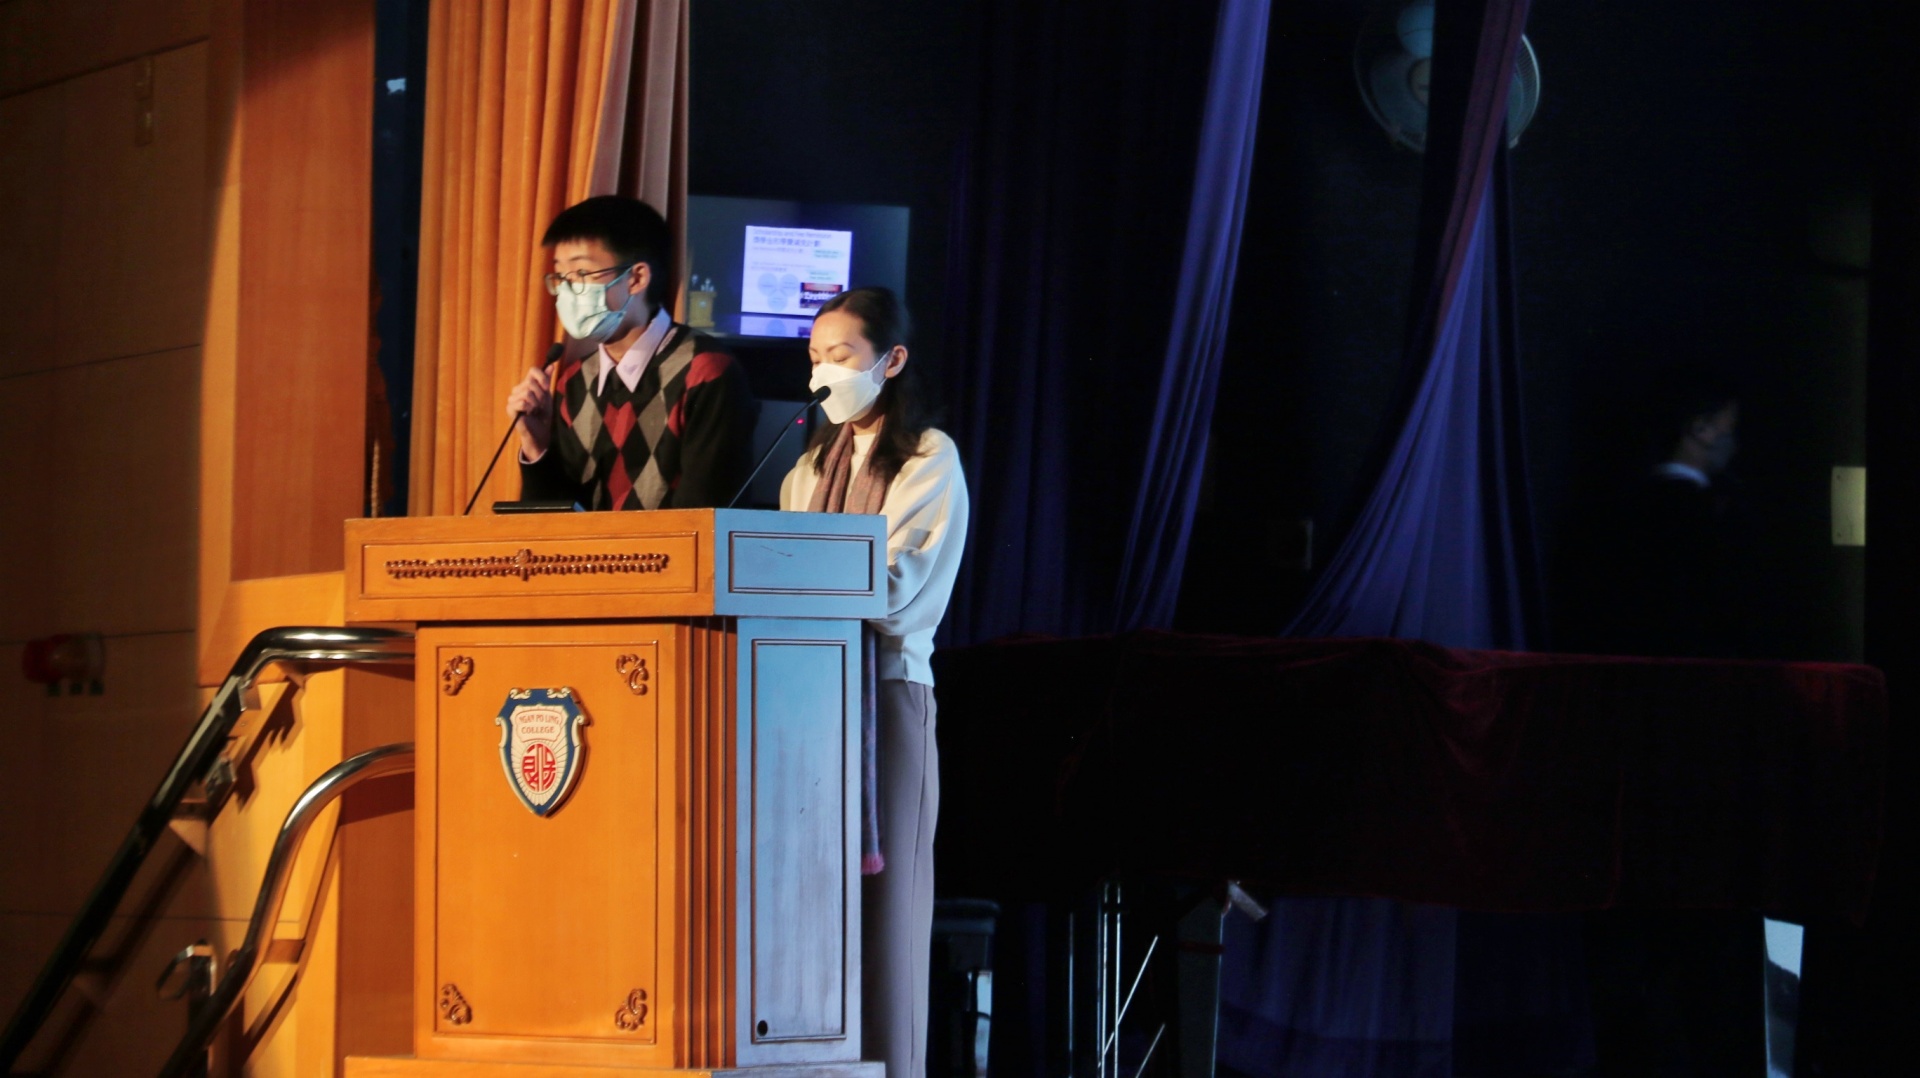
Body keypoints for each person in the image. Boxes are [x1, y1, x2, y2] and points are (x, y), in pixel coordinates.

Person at [779, 287, 968, 1078]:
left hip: (886, 696)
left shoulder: (928, 458)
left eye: (842, 356)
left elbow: (899, 593)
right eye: (815, 357)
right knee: (806, 910)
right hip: (806, 702)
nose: (823, 373)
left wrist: (796, 573)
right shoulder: (804, 470)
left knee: (887, 923)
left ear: (890, 361)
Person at [506, 196, 754, 509]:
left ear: (636, 279)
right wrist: (536, 446)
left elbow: (706, 516)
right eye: (561, 277)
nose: (568, 290)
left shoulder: (705, 372)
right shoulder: (573, 380)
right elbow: (550, 521)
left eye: (582, 273)